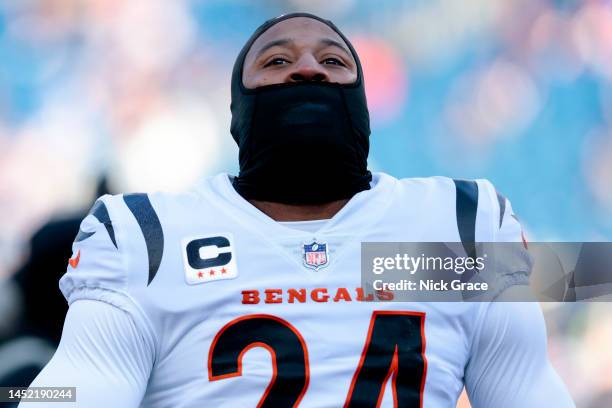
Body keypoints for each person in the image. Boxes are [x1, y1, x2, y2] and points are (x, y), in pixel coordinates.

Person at [23, 13, 574, 407]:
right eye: (278, 59)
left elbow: (529, 391)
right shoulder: (147, 236)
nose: (308, 68)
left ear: (363, 106)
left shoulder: (459, 225)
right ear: (238, 111)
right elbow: (78, 392)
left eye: (333, 59)